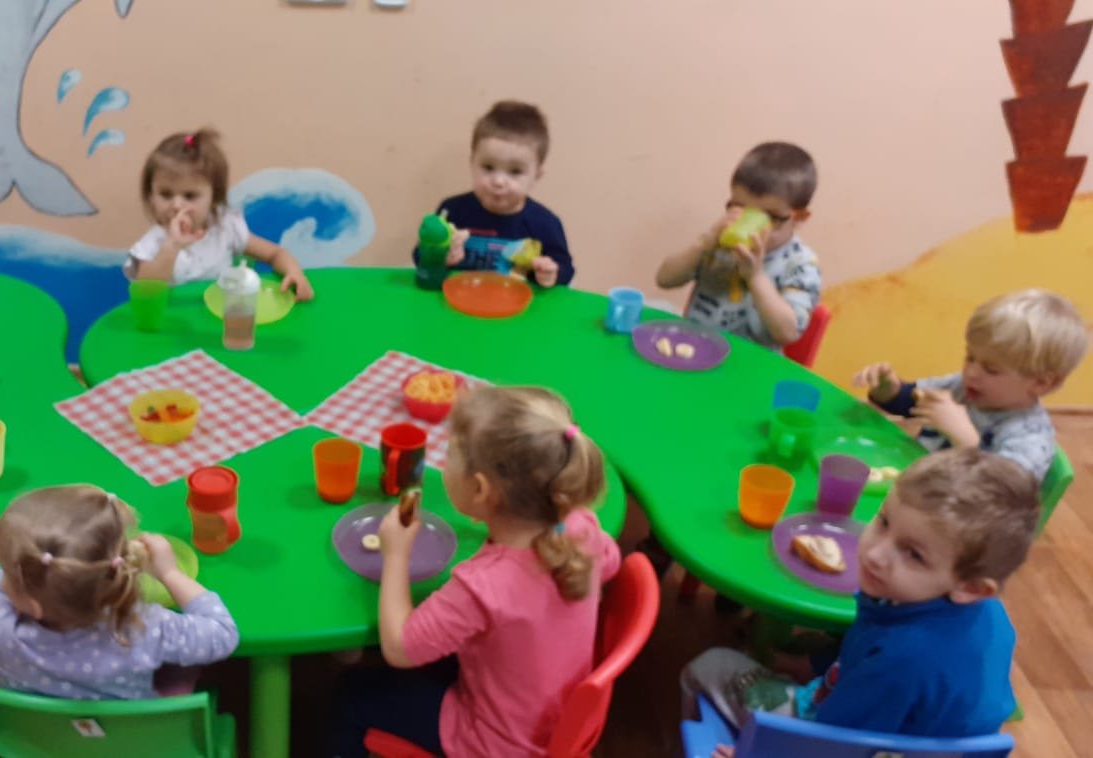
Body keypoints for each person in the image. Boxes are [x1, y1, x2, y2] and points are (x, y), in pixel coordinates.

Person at [329, 387, 621, 757]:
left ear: (481, 489)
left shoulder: (482, 586)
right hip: (553, 723)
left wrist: (397, 555)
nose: (442, 465)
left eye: (449, 456)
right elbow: (610, 562)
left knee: (350, 693)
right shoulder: (581, 526)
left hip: (493, 743)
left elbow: (400, 648)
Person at [682, 448, 1036, 752]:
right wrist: (815, 663)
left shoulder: (900, 661)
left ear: (971, 587)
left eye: (914, 554)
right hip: (919, 740)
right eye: (884, 521)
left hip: (850, 742)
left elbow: (834, 746)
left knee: (710, 665)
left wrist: (755, 753)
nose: (876, 554)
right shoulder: (988, 612)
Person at [0, 485, 239, 699]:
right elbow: (223, 633)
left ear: (34, 605)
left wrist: (32, 570)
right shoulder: (143, 629)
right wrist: (170, 573)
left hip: (42, 741)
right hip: (130, 740)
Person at [854, 288, 1087, 482]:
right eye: (970, 357)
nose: (971, 373)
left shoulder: (1029, 438)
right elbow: (909, 403)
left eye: (991, 369)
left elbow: (1005, 495)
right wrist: (888, 391)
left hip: (958, 518)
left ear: (1040, 383)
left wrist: (967, 444)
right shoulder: (960, 387)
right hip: (917, 485)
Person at [656, 142, 822, 351]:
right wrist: (703, 244)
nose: (748, 225)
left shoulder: (800, 264)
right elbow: (664, 279)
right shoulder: (719, 242)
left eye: (769, 217)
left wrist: (755, 277)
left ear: (799, 217)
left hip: (751, 364)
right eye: (739, 209)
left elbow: (788, 332)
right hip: (695, 347)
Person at [125, 129, 314, 299]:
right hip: (174, 323)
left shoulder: (225, 228)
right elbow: (145, 291)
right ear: (150, 196)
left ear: (214, 197)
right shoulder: (153, 244)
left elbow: (274, 253)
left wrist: (294, 273)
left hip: (221, 319)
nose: (176, 205)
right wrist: (172, 247)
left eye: (190, 196)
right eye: (166, 194)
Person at [413, 101, 574, 287]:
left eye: (515, 171)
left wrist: (550, 273)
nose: (498, 181)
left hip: (518, 303)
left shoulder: (545, 223)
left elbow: (566, 270)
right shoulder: (452, 210)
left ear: (536, 176)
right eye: (488, 167)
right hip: (457, 300)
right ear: (472, 163)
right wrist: (440, 257)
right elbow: (420, 256)